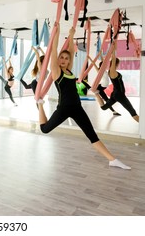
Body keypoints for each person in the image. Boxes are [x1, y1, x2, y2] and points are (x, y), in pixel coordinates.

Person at [36, 23, 130, 170]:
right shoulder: (57, 72)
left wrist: (72, 35)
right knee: (45, 129)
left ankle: (112, 159)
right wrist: (57, 33)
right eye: (62, 58)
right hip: (64, 109)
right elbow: (53, 51)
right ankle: (40, 105)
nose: (64, 60)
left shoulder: (69, 71)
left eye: (66, 59)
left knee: (92, 134)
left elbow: (72, 53)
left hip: (77, 108)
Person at [95, 41, 139, 122]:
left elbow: (104, 62)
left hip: (116, 94)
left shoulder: (111, 71)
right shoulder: (112, 72)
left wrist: (102, 54)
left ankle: (97, 94)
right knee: (133, 112)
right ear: (116, 64)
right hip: (120, 95)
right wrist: (113, 49)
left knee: (104, 108)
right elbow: (113, 58)